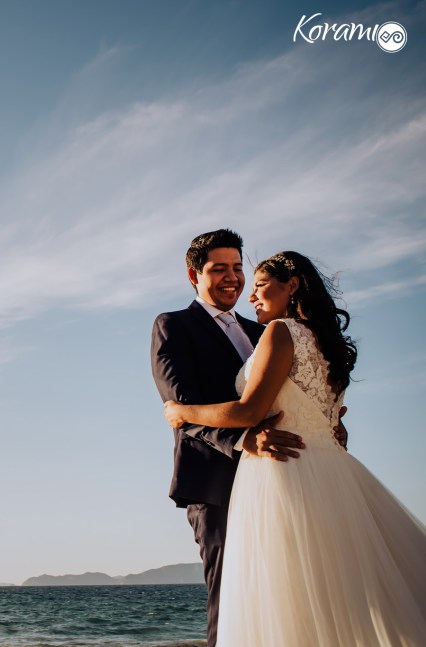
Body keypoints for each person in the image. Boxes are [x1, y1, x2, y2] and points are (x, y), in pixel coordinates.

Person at [164, 251, 426, 646]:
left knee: (285, 593)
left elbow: (249, 410)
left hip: (282, 471)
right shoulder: (326, 342)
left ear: (293, 285)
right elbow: (326, 414)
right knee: (338, 591)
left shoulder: (280, 331)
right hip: (332, 472)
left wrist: (181, 411)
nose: (252, 295)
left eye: (260, 285)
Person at [150, 229, 322, 646]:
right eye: (219, 269)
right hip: (216, 482)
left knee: (289, 593)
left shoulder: (266, 327)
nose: (232, 278)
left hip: (283, 476)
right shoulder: (173, 326)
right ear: (194, 275)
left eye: (237, 268)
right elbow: (182, 410)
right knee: (230, 600)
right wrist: (242, 441)